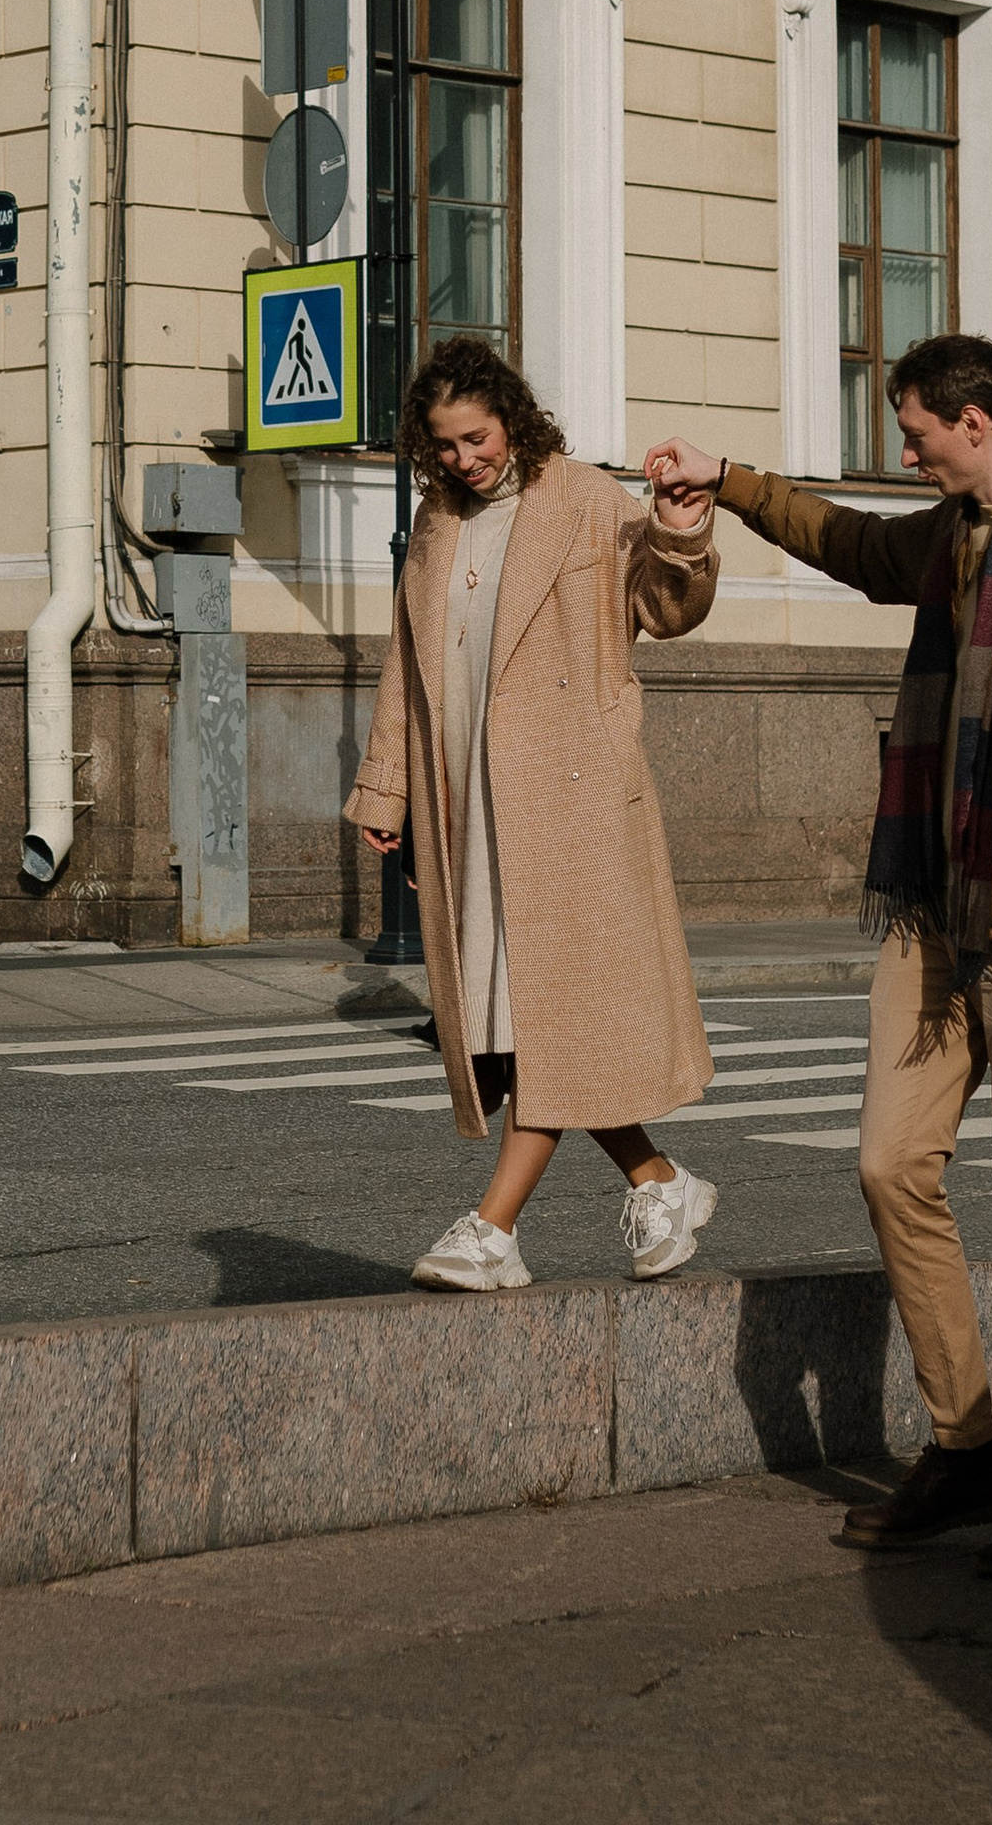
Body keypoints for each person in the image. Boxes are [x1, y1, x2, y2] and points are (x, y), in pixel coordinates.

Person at [646, 332, 992, 1587]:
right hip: (936, 912)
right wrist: (731, 479)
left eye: (915, 430)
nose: (905, 450)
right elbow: (851, 546)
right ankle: (965, 1441)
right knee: (889, 1165)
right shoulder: (948, 537)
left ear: (975, 423)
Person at [344, 332, 724, 1292]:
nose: (463, 459)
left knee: (544, 1015)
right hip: (469, 793)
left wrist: (682, 528)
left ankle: (492, 1228)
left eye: (475, 438)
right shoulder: (436, 523)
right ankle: (659, 1179)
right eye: (443, 446)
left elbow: (667, 609)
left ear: (510, 418)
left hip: (571, 801)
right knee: (528, 1016)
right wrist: (388, 785)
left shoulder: (587, 499)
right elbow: (409, 666)